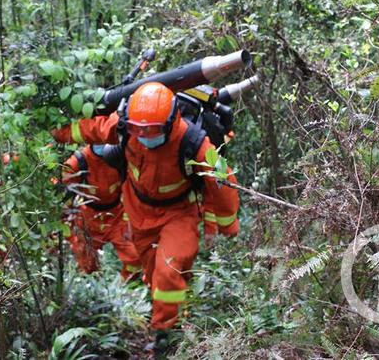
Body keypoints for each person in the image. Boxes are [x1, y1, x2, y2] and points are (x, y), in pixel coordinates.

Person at [52, 82, 240, 355]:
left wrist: (225, 225)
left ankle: (166, 336)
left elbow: (222, 180)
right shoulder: (127, 126)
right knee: (154, 276)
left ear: (171, 120)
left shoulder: (194, 141)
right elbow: (93, 129)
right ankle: (172, 316)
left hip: (179, 214)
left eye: (151, 132)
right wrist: (58, 132)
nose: (144, 137)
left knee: (169, 269)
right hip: (138, 213)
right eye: (139, 131)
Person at [60, 144, 141, 280]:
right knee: (85, 262)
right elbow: (59, 188)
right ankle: (92, 289)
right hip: (88, 216)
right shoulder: (80, 160)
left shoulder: (122, 154)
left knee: (134, 255)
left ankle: (126, 286)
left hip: (118, 214)